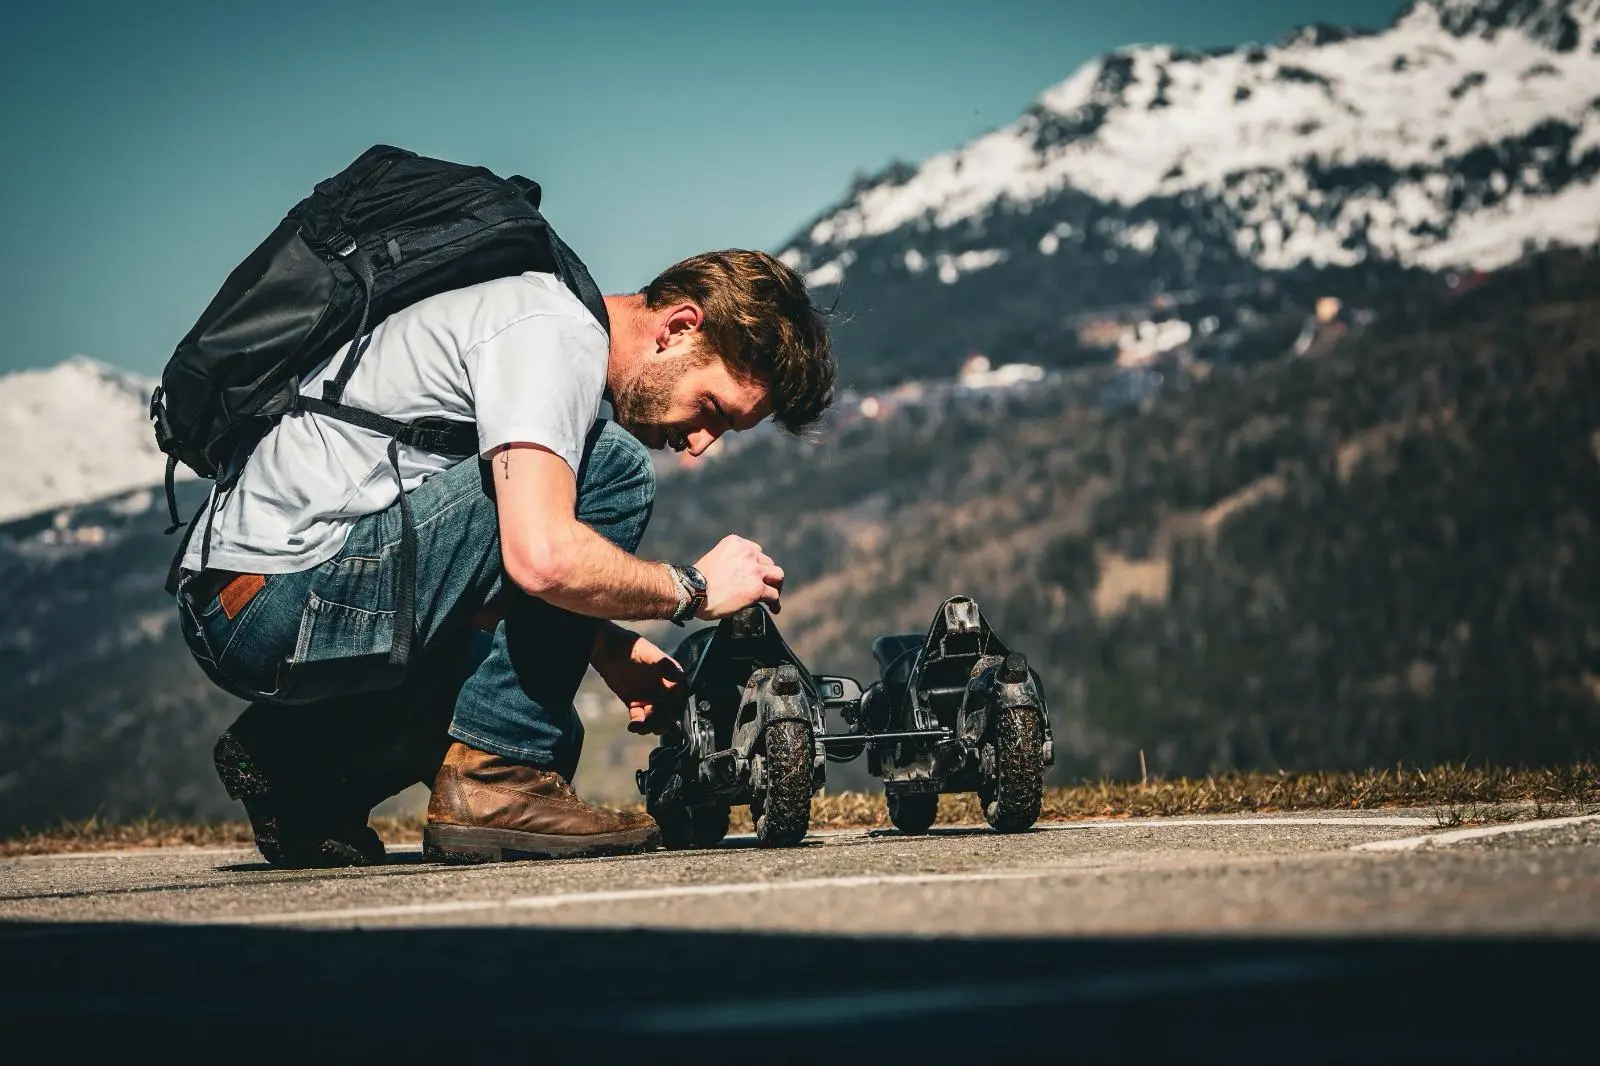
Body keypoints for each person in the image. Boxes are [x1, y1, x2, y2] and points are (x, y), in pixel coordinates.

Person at [173, 249, 835, 867]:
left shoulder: (539, 328)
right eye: (712, 408)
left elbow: (478, 557)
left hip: (246, 596)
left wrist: (605, 646)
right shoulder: (554, 332)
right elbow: (540, 559)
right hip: (281, 595)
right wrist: (693, 588)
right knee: (614, 468)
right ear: (679, 328)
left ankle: (296, 768)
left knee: (551, 730)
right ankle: (497, 778)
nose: (700, 444)